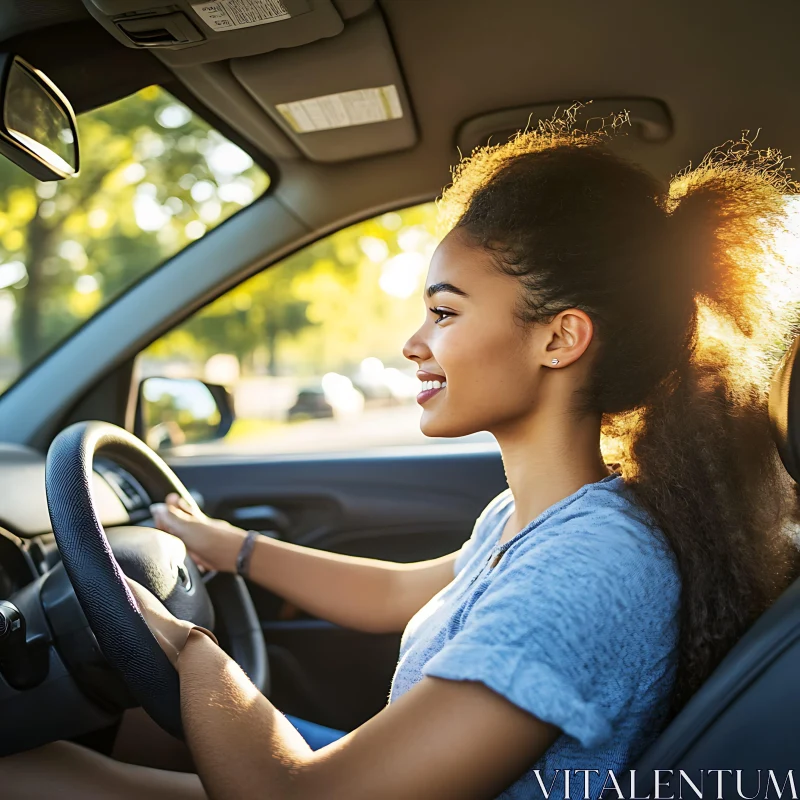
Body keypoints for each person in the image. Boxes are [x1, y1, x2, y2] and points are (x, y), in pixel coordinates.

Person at [3, 105, 800, 799]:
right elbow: (396, 598)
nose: (414, 344)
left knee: (26, 775)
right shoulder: (545, 520)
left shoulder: (593, 564)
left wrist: (190, 645)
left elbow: (300, 797)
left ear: (561, 337)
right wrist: (227, 546)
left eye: (445, 314)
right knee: (131, 732)